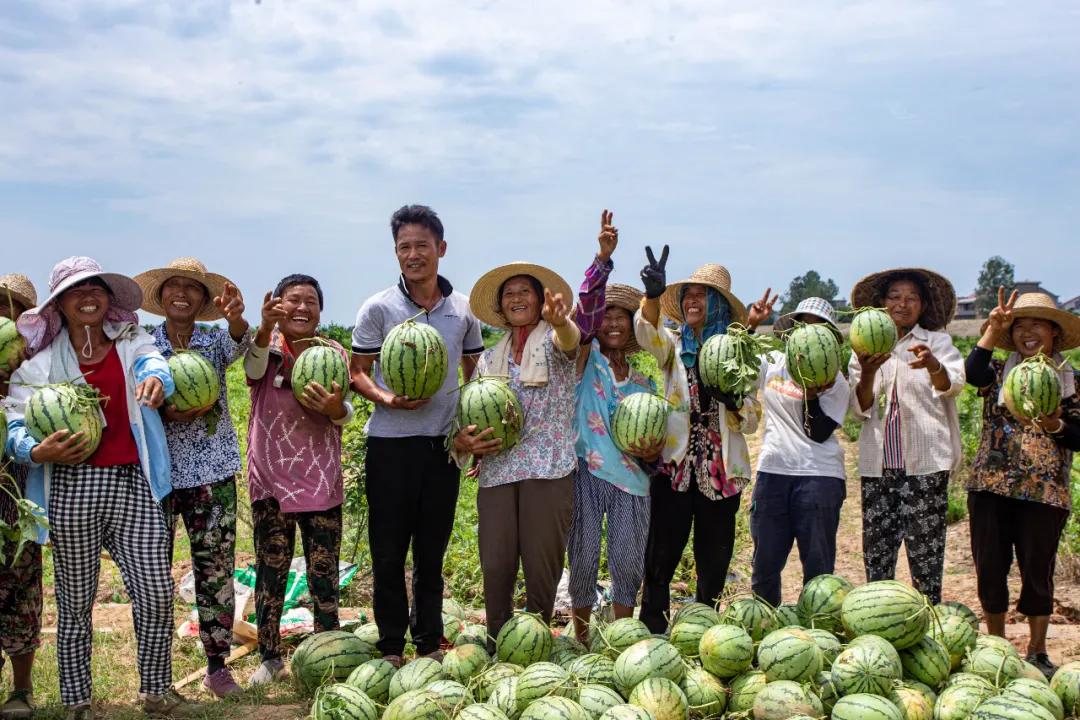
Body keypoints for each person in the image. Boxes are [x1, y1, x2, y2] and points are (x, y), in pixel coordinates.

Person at [4, 257, 193, 719]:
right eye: (76, 291)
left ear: (109, 300)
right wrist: (36, 450)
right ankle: (76, 702)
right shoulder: (41, 364)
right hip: (71, 485)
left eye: (96, 289)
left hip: (133, 481)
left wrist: (157, 377)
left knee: (155, 590)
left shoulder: (132, 343)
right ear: (59, 305)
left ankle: (155, 691)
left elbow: (154, 363)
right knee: (75, 602)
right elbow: (13, 421)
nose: (88, 297)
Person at [350, 205, 484, 666]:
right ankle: (391, 646)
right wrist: (387, 399)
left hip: (441, 448)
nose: (413, 255)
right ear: (396, 253)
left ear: (440, 249)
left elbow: (474, 372)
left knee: (432, 553)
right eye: (404, 247)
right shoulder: (378, 307)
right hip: (389, 446)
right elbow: (358, 372)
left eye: (421, 246)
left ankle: (428, 642)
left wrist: (471, 421)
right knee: (387, 553)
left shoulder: (464, 309)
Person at [633, 249, 768, 633]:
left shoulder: (739, 352)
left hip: (720, 468)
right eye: (688, 294)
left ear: (718, 305)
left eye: (702, 295)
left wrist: (734, 403)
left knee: (713, 556)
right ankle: (653, 627)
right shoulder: (673, 346)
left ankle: (704, 629)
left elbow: (754, 418)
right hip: (675, 464)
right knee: (660, 552)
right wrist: (653, 296)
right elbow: (646, 334)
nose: (693, 300)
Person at [133, 257, 251, 696]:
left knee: (215, 569)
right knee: (153, 574)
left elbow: (241, 346)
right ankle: (157, 672)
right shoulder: (143, 342)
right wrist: (162, 406)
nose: (180, 293)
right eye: (172, 287)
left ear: (203, 300)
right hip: (157, 475)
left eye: (191, 288)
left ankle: (217, 665)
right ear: (161, 297)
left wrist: (237, 318)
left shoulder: (213, 340)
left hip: (212, 470)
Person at [452, 262, 580, 640]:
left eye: (525, 291)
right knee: (496, 564)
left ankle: (534, 641)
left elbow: (571, 342)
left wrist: (561, 322)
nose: (517, 298)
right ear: (501, 307)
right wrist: (465, 442)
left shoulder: (555, 343)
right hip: (497, 473)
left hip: (548, 471)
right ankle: (497, 639)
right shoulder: (489, 361)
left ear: (541, 301)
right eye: (509, 294)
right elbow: (468, 413)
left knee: (542, 567)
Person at [965, 289, 1080, 678]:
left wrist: (1056, 426)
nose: (1027, 333)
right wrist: (990, 331)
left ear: (1053, 333)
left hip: (1045, 492)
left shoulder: (1071, 381)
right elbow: (971, 373)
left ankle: (1037, 650)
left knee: (1038, 570)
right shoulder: (998, 372)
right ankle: (996, 646)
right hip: (990, 486)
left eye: (1037, 325)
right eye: (1019, 326)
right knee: (990, 568)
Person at [244, 274, 353, 685]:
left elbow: (346, 415)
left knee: (323, 572)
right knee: (271, 570)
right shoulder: (265, 351)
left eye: (311, 301)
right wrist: (261, 328)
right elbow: (251, 368)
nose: (302, 308)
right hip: (271, 480)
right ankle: (270, 657)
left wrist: (334, 406)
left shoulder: (335, 353)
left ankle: (328, 651)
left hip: (320, 480)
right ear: (278, 306)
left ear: (321, 310)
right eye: (293, 300)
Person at [566, 211, 659, 644]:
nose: (615, 323)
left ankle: (622, 639)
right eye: (608, 317)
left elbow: (657, 438)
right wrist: (602, 261)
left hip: (632, 480)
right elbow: (583, 315)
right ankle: (582, 637)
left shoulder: (644, 381)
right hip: (588, 470)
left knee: (626, 559)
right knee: (582, 556)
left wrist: (651, 451)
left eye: (623, 317)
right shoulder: (586, 361)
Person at [847, 267, 964, 605]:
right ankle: (879, 622)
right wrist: (867, 372)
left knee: (926, 558)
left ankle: (928, 624)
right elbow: (860, 407)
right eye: (895, 297)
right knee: (878, 555)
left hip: (926, 467)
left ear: (923, 305)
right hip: (879, 467)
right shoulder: (863, 347)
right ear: (882, 304)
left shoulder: (937, 343)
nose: (903, 304)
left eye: (912, 297)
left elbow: (952, 386)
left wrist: (933, 365)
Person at [750, 297, 850, 607]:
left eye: (817, 327)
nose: (809, 333)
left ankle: (816, 634)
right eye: (803, 325)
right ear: (792, 332)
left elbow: (818, 432)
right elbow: (741, 361)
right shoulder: (774, 364)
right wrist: (751, 324)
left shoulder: (836, 384)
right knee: (765, 565)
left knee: (818, 571)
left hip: (820, 477)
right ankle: (765, 631)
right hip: (773, 472)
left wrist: (811, 393)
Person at [0, 274, 42, 720]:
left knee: (21, 587)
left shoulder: (34, 362)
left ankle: (22, 690)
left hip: (16, 489)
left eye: (9, 307)